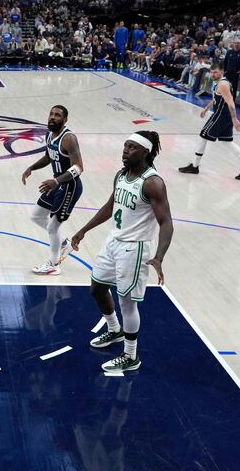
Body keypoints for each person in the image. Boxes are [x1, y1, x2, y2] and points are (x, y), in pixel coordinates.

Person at [71, 131, 173, 372]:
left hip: (134, 248)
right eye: (125, 146)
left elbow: (166, 222)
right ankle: (114, 329)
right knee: (97, 288)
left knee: (127, 303)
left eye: (132, 148)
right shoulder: (121, 175)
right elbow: (110, 206)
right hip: (113, 241)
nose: (125, 151)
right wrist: (84, 230)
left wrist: (158, 256)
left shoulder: (152, 183)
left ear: (145, 152)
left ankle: (130, 356)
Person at [22, 105, 84, 276]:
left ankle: (54, 264)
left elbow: (79, 168)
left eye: (57, 115)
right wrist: (32, 167)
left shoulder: (69, 139)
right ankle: (64, 243)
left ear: (65, 120)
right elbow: (49, 156)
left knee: (53, 226)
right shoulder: (50, 135)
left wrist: (56, 181)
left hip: (69, 186)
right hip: (56, 184)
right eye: (51, 114)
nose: (52, 117)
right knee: (36, 216)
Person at [178, 63, 240, 180]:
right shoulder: (219, 83)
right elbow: (216, 98)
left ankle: (194, 166)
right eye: (211, 72)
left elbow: (230, 102)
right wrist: (207, 107)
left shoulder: (223, 84)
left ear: (222, 72)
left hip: (221, 115)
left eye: (215, 72)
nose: (213, 74)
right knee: (226, 142)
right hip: (223, 115)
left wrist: (235, 119)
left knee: (203, 136)